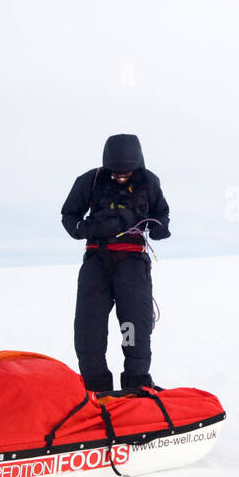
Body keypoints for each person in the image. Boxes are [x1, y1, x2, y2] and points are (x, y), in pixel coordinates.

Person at [60, 134, 170, 392]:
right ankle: (96, 389)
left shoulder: (149, 182)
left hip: (132, 265)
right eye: (116, 171)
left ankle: (136, 385)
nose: (121, 176)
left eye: (127, 172)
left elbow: (162, 214)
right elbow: (69, 215)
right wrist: (85, 228)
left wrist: (161, 229)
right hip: (97, 262)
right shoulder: (91, 180)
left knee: (132, 327)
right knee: (89, 328)